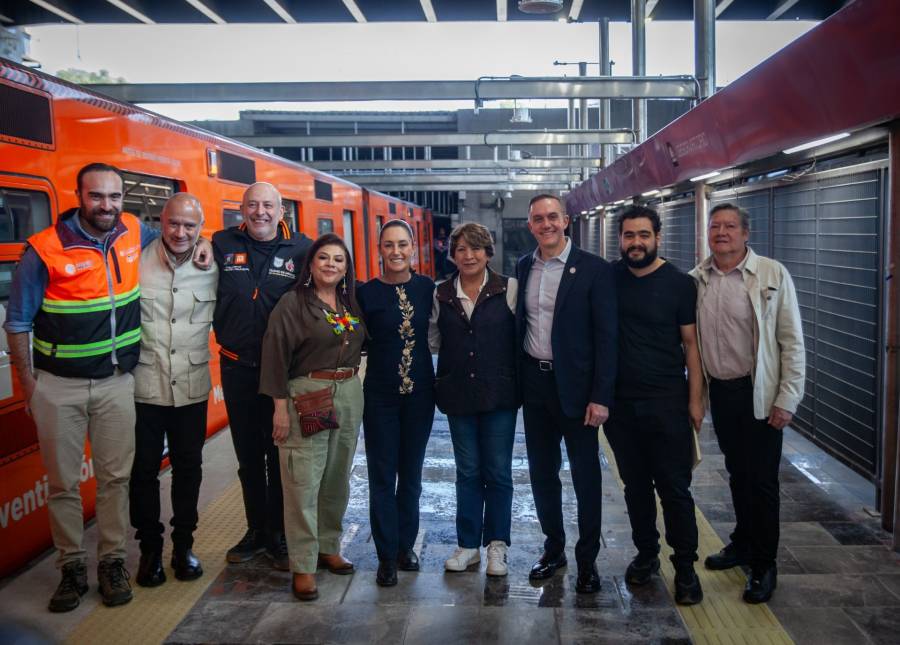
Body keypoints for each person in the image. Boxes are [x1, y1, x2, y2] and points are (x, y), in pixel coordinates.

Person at [3, 163, 211, 612]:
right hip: (59, 386)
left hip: (118, 383)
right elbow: (17, 321)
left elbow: (184, 237)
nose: (107, 206)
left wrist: (205, 245)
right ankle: (71, 569)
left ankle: (112, 563)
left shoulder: (133, 232)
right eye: (97, 196)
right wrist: (29, 386)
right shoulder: (44, 250)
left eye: (114, 197)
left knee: (115, 480)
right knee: (62, 484)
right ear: (78, 196)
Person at [691, 203, 805, 604]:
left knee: (762, 481)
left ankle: (764, 563)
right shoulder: (698, 279)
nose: (721, 232)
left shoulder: (771, 275)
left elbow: (791, 342)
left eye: (730, 226)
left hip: (759, 393)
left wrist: (786, 399)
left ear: (745, 233)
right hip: (722, 392)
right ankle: (741, 542)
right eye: (715, 226)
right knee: (738, 474)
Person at [516, 194, 617, 594]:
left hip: (577, 390)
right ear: (530, 226)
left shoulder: (594, 270)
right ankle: (553, 548)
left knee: (585, 475)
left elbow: (607, 338)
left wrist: (601, 395)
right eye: (538, 219)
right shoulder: (525, 266)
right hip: (536, 385)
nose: (546, 224)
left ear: (566, 220)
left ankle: (587, 559)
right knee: (542, 473)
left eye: (552, 217)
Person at [604, 206, 703, 605]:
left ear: (657, 237)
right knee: (636, 489)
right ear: (621, 240)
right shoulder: (610, 278)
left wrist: (695, 401)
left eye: (643, 235)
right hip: (621, 407)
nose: (636, 243)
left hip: (667, 404)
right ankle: (647, 554)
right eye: (629, 235)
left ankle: (685, 568)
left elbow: (692, 346)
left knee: (675, 489)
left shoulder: (680, 284)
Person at [259, 233, 366, 601]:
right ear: (311, 264)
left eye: (339, 259)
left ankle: (328, 546)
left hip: (349, 393)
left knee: (337, 477)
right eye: (324, 258)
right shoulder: (293, 303)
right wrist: (279, 408)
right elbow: (274, 356)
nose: (331, 265)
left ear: (346, 267)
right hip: (309, 394)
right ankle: (303, 565)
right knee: (303, 480)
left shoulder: (350, 301)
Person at [212, 182, 312, 571]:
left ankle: (281, 533)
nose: (260, 212)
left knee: (280, 454)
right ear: (242, 209)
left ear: (281, 211)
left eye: (268, 205)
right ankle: (256, 530)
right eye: (252, 205)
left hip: (282, 372)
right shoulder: (221, 244)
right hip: (237, 367)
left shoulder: (302, 250)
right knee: (248, 456)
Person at [129, 193, 218, 587]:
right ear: (159, 222)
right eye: (173, 224)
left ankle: (183, 547)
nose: (181, 232)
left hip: (192, 388)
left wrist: (210, 243)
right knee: (143, 472)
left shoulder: (214, 264)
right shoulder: (135, 258)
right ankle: (150, 550)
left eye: (190, 226)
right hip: (144, 386)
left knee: (189, 469)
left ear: (201, 229)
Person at [428, 223, 518, 577]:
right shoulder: (441, 293)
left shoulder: (508, 288)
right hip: (458, 396)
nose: (468, 255)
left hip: (500, 395)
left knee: (497, 471)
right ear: (452, 254)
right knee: (467, 471)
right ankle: (468, 545)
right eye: (461, 249)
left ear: (488, 253)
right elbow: (434, 340)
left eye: (476, 249)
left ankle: (497, 545)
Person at [357, 220, 435, 587]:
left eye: (403, 244)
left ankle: (407, 546)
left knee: (413, 478)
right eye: (389, 245)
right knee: (382, 477)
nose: (396, 251)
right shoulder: (365, 294)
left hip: (421, 397)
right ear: (379, 251)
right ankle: (386, 556)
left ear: (414, 249)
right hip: (380, 398)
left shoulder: (427, 289)